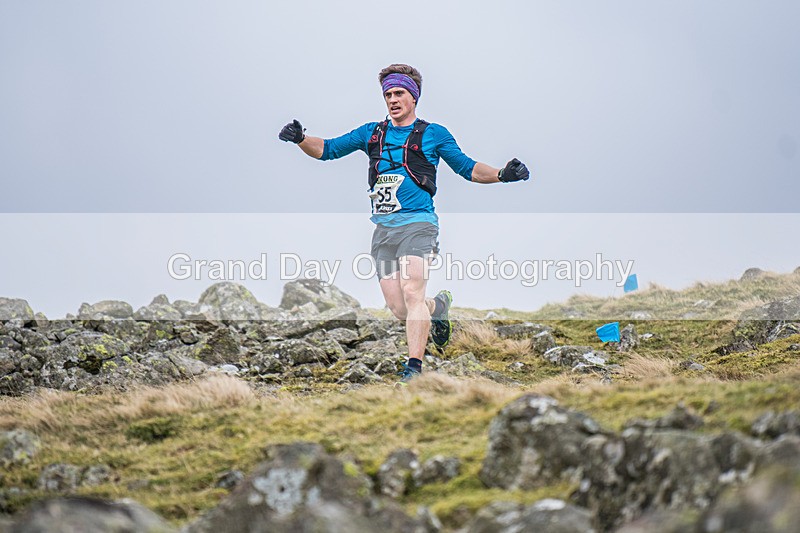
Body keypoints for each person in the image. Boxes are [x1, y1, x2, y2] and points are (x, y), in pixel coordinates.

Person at [279, 64, 530, 382]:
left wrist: (502, 174)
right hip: (384, 230)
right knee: (399, 308)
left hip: (420, 225)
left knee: (412, 292)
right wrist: (300, 139)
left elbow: (467, 168)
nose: (392, 99)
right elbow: (326, 150)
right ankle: (436, 307)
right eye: (388, 94)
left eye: (399, 93)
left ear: (413, 97)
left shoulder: (434, 134)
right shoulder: (371, 133)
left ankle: (414, 368)